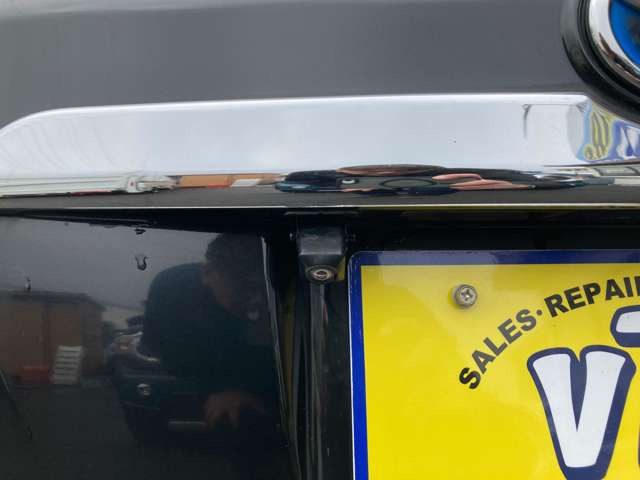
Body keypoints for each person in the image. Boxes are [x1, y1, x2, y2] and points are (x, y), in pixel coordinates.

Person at [141, 234, 277, 431]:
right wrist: (227, 388)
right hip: (197, 386)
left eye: (259, 286)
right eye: (242, 287)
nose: (255, 298)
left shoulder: (276, 289)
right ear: (207, 272)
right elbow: (167, 353)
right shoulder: (172, 289)